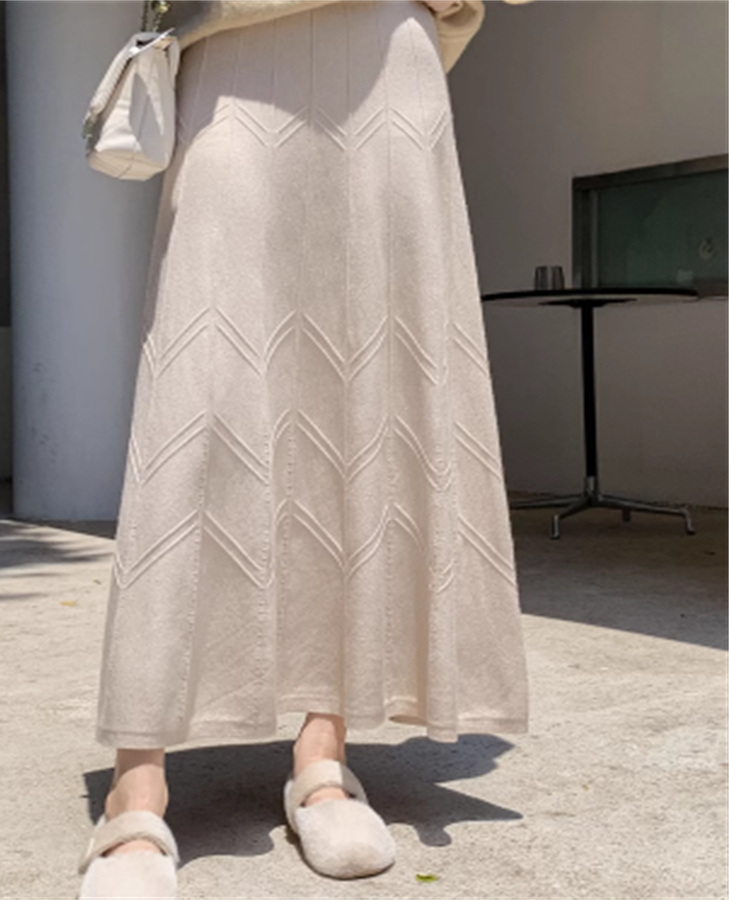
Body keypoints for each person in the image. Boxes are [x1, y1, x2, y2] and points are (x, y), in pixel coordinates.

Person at [78, 0, 530, 895]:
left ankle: (324, 755)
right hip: (237, 51)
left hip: (387, 61)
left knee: (367, 386)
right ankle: (137, 786)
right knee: (199, 391)